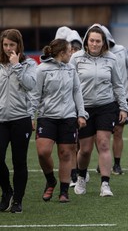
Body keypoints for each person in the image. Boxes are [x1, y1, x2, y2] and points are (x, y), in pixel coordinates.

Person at [69, 24, 128, 197]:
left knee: (103, 143)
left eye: (98, 41)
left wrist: (123, 107)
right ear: (86, 41)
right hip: (83, 108)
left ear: (104, 43)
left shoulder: (111, 58)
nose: (95, 44)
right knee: (85, 148)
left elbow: (118, 85)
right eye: (92, 40)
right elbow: (71, 85)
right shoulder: (76, 58)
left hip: (106, 106)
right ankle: (81, 177)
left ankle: (105, 184)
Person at [31, 38, 88, 203]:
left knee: (65, 153)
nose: (72, 53)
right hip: (46, 117)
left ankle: (64, 191)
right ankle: (50, 180)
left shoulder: (71, 69)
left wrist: (81, 114)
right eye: (69, 51)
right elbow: (35, 95)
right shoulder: (41, 70)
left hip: (68, 118)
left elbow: (77, 91)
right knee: (43, 152)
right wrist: (30, 116)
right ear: (62, 53)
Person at [0, 29, 37, 213]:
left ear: (19, 46)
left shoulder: (29, 64)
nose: (8, 48)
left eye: (11, 45)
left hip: (20, 119)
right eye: (5, 44)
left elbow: (31, 85)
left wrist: (16, 65)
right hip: (0, 120)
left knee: (19, 161)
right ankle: (7, 192)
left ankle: (17, 201)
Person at [53, 26, 87, 187]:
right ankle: (72, 173)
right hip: (65, 107)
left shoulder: (81, 60)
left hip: (81, 103)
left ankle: (80, 171)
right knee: (70, 142)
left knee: (81, 142)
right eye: (70, 48)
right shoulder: (58, 64)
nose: (73, 51)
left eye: (76, 48)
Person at [102, 25, 128, 175]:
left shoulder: (121, 50)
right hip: (105, 98)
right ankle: (103, 162)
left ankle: (117, 163)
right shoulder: (95, 54)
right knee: (103, 134)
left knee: (118, 131)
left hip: (122, 97)